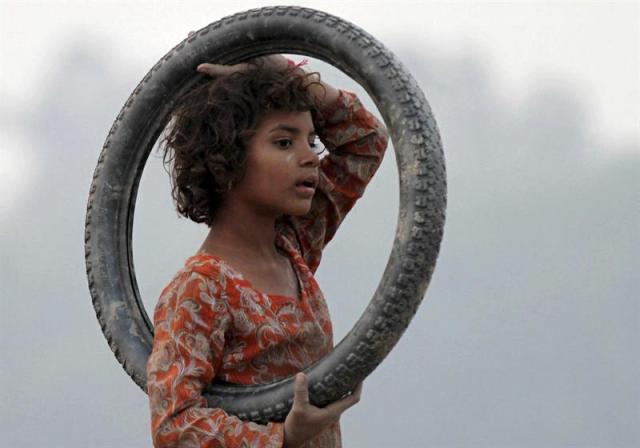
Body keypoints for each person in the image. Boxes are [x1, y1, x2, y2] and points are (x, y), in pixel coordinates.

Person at [146, 54, 389, 447]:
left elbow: (365, 140)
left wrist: (277, 74)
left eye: (310, 140)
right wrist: (283, 437)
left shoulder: (295, 246)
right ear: (228, 159)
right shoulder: (201, 288)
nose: (310, 156)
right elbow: (174, 427)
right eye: (283, 142)